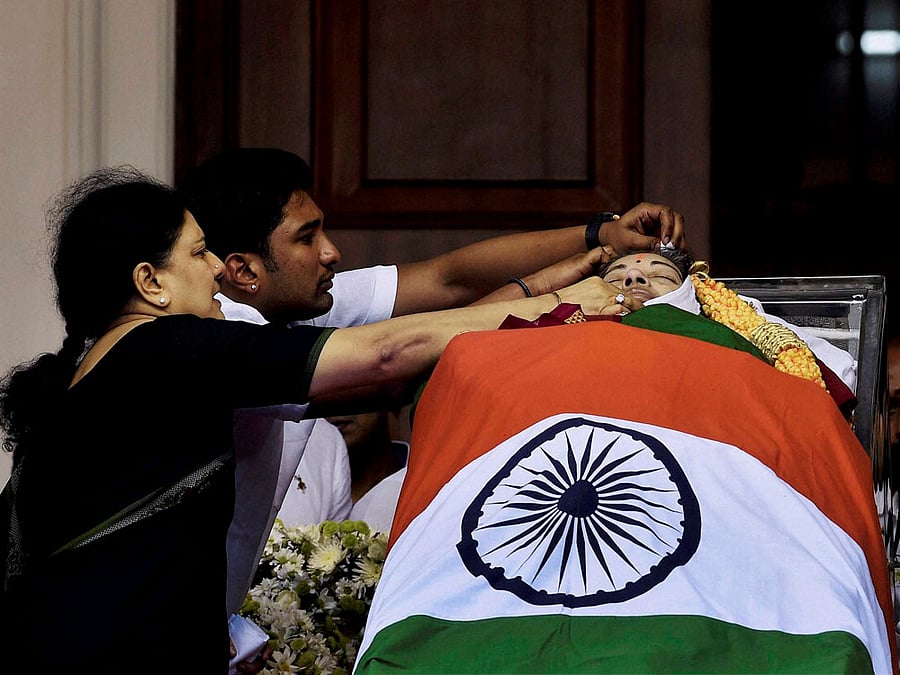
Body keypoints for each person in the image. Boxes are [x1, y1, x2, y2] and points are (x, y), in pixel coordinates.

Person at [0, 166, 637, 672]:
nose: (219, 269)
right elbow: (389, 353)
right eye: (198, 255)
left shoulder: (112, 366)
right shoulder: (170, 349)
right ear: (151, 282)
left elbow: (396, 349)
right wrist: (562, 305)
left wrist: (545, 292)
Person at [178, 147, 688, 617]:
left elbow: (448, 278)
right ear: (244, 271)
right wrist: (552, 302)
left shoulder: (295, 300)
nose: (331, 252)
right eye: (307, 238)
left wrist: (599, 237)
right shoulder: (228, 334)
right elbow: (394, 365)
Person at [595, 248, 858, 393]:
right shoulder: (566, 326)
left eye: (662, 276)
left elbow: (839, 374)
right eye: (616, 279)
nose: (632, 278)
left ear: (692, 293)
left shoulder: (740, 330)